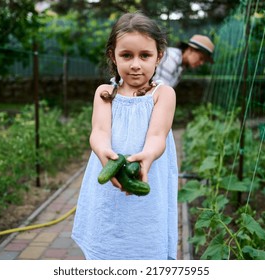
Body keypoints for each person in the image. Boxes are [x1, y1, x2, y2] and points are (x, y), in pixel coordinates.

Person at [71, 12, 178, 260]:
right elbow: (98, 132)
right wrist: (103, 153)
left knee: (144, 242)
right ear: (113, 55)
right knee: (107, 241)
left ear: (159, 56)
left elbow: (157, 135)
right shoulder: (105, 92)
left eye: (145, 55)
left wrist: (148, 155)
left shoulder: (164, 94)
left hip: (146, 176)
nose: (136, 64)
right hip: (109, 181)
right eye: (126, 55)